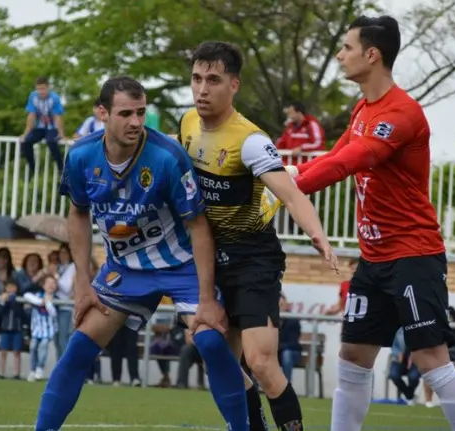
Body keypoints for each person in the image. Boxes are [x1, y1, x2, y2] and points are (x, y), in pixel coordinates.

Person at [279, 16, 455, 431]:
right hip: (373, 259)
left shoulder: (402, 113)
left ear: (372, 55)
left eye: (347, 47)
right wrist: (280, 175)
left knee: (431, 361)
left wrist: (283, 187)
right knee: (352, 355)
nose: (340, 54)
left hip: (413, 255)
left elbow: (349, 162)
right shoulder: (362, 108)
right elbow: (333, 155)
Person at [35, 76, 250, 431]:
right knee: (78, 349)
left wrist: (207, 297)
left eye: (141, 112)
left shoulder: (167, 156)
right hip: (125, 269)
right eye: (125, 114)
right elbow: (77, 213)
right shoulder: (80, 155)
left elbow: (198, 226)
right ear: (102, 113)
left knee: (210, 341)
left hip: (181, 266)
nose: (136, 122)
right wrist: (83, 284)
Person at [177, 41, 337, 431]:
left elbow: (290, 192)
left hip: (252, 257)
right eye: (197, 78)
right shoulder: (186, 124)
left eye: (213, 80)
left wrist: (317, 234)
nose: (202, 89)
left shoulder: (249, 140)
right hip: (209, 256)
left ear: (233, 85)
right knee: (220, 360)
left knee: (261, 362)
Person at [21, 76, 66, 173]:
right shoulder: (33, 96)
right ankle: (32, 167)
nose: (41, 91)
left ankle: (61, 167)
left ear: (48, 87)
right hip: (39, 127)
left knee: (51, 141)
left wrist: (61, 133)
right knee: (26, 141)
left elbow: (57, 116)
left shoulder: (54, 98)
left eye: (43, 89)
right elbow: (31, 115)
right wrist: (26, 133)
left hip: (52, 127)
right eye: (38, 89)